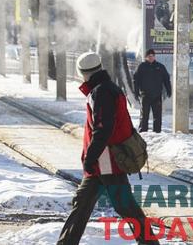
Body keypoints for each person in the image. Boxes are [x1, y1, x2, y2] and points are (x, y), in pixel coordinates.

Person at [58, 52, 157, 245]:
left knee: (125, 206)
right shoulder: (107, 88)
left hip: (106, 161)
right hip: (102, 162)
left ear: (82, 73)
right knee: (82, 205)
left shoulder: (100, 92)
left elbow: (103, 128)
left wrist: (90, 156)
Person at [132, 49, 171, 133]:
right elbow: (136, 80)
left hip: (157, 95)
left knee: (157, 116)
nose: (151, 58)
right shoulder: (142, 67)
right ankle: (143, 131)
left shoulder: (160, 66)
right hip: (145, 95)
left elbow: (166, 79)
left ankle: (157, 132)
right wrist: (136, 91)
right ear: (146, 57)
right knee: (144, 115)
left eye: (153, 56)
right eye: (149, 56)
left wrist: (169, 89)